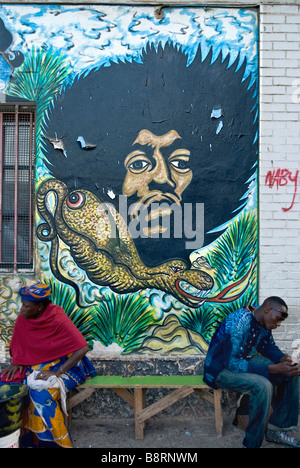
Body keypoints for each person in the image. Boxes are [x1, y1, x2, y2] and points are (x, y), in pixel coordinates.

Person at [0, 283, 97, 448]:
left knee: (41, 396)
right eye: (22, 304)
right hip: (34, 365)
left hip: (66, 367)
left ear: (39, 307)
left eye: (26, 306)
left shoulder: (57, 317)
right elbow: (19, 343)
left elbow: (83, 348)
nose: (21, 309)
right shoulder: (24, 318)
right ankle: (21, 441)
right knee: (7, 386)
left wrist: (56, 372)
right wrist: (17, 362)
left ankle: (57, 444)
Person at [204, 296, 300, 448]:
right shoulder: (239, 322)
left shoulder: (262, 317)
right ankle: (251, 443)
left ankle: (277, 430)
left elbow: (268, 346)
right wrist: (272, 368)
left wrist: (283, 359)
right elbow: (232, 363)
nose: (279, 324)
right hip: (220, 369)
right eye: (278, 319)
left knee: (291, 372)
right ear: (268, 309)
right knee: (263, 386)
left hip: (245, 359)